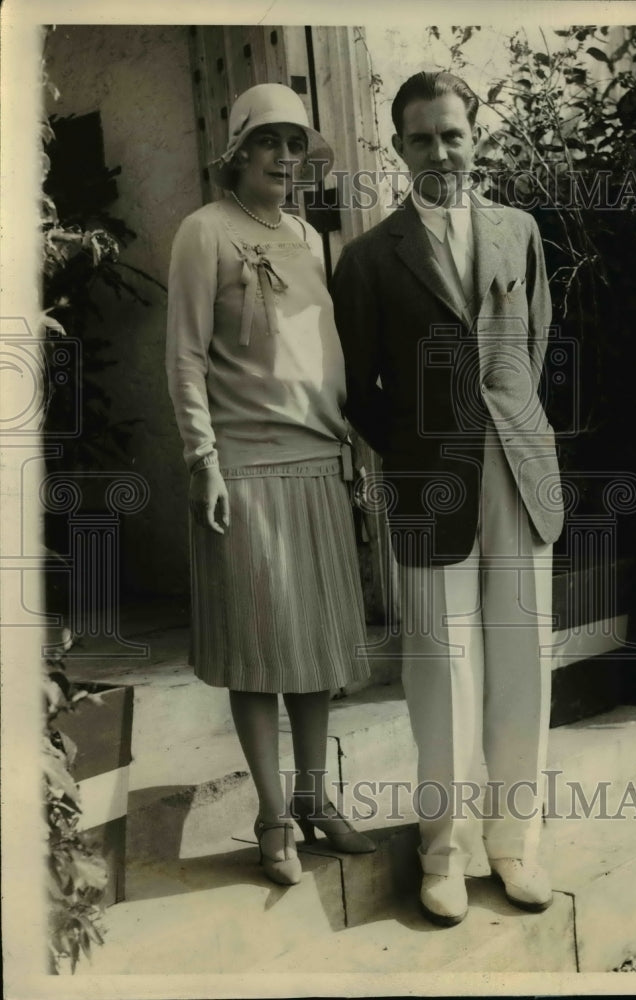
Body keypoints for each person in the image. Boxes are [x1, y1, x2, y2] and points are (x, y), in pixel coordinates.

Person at [332, 70, 564, 926]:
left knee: (522, 659)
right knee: (442, 668)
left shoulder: (518, 231)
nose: (440, 152)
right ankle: (445, 854)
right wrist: (416, 452)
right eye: (422, 138)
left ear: (475, 138)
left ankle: (515, 846)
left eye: (452, 134)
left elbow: (533, 344)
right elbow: (357, 388)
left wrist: (505, 428)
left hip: (519, 468)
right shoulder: (368, 258)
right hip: (429, 481)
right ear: (398, 149)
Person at [166, 83, 376, 888]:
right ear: (239, 152)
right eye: (270, 142)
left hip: (318, 464)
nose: (285, 158)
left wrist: (350, 447)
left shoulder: (311, 239)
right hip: (243, 469)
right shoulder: (204, 231)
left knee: (314, 651)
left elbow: (324, 357)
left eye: (296, 144)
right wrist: (202, 460)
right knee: (257, 652)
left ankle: (315, 797)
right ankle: (271, 816)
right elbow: (185, 355)